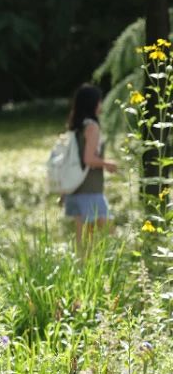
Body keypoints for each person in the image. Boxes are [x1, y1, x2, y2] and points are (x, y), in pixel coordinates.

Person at [63, 83, 118, 251]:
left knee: (84, 245)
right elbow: (88, 159)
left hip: (74, 190)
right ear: (93, 103)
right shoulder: (92, 127)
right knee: (113, 237)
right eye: (99, 101)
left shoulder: (76, 126)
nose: (101, 105)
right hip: (90, 191)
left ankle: (84, 275)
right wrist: (107, 163)